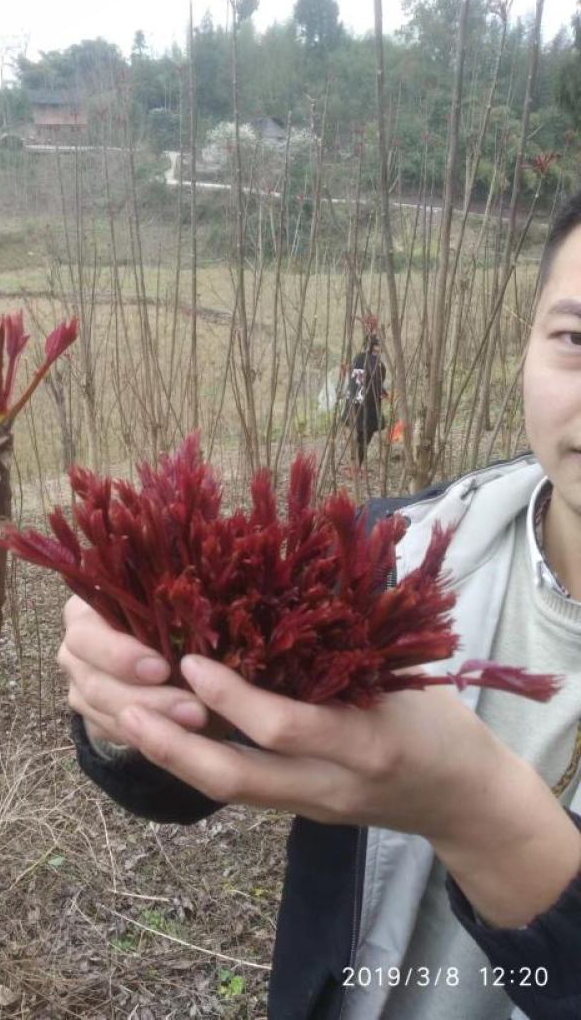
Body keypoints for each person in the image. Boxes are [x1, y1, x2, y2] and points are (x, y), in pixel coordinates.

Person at [58, 191, 581, 1019]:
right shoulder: (391, 553)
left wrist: (485, 819)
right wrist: (123, 709)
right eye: (576, 340)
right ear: (526, 346)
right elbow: (193, 782)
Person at [344, 334, 387, 467]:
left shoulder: (359, 358)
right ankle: (356, 463)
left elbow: (373, 382)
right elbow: (369, 382)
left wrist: (382, 391)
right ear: (374, 346)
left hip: (356, 402)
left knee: (361, 434)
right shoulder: (375, 363)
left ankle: (356, 462)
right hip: (365, 404)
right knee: (364, 433)